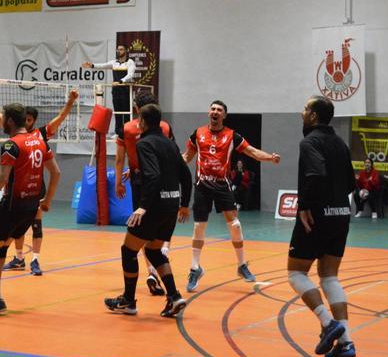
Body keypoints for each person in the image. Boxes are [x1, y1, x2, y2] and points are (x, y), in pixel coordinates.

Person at [0, 103, 61, 314]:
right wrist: (47, 201)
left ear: (9, 121)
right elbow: (56, 173)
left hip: (11, 206)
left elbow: (2, 178)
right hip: (30, 208)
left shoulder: (11, 145)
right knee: (2, 245)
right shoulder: (39, 141)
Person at [0, 83, 78, 276]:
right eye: (27, 119)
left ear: (33, 120)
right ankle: (19, 258)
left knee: (34, 225)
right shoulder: (15, 136)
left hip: (34, 189)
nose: (29, 122)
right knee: (17, 230)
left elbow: (61, 118)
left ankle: (35, 260)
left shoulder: (40, 135)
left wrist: (71, 101)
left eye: (31, 120)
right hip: (17, 191)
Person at [104, 103, 192, 317]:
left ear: (142, 122)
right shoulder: (170, 144)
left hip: (154, 206)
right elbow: (187, 176)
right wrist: (183, 204)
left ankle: (128, 300)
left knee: (128, 250)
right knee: (153, 250)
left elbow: (152, 176)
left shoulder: (144, 144)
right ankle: (173, 296)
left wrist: (143, 207)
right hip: (171, 205)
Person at [183, 100, 281, 292]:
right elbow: (187, 156)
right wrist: (170, 163)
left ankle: (242, 265)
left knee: (235, 225)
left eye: (219, 110)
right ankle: (195, 268)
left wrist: (270, 157)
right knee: (199, 228)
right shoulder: (198, 133)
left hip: (222, 185)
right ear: (208, 112)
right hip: (202, 186)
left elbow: (251, 151)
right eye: (212, 108)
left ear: (224, 115)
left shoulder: (232, 136)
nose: (215, 112)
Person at [289, 95, 357, 357]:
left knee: (296, 273)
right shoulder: (340, 143)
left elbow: (315, 174)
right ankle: (346, 342)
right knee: (329, 277)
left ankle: (328, 323)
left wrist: (305, 205)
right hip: (341, 214)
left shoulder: (310, 142)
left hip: (316, 216)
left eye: (305, 109)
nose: (302, 112)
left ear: (314, 116)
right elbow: (351, 183)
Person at [115, 90, 174, 296]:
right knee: (160, 229)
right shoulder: (165, 127)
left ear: (137, 109)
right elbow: (168, 154)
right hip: (166, 183)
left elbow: (119, 159)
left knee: (139, 231)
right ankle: (161, 260)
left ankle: (148, 273)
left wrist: (119, 183)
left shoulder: (127, 129)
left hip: (141, 181)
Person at [82, 45, 137, 136]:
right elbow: (102, 65)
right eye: (118, 50)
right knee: (117, 111)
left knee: (126, 112)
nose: (119, 51)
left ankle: (126, 131)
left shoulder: (130, 62)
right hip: (115, 90)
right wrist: (92, 65)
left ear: (126, 51)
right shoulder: (114, 62)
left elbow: (130, 75)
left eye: (121, 49)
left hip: (125, 89)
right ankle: (118, 132)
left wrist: (120, 81)